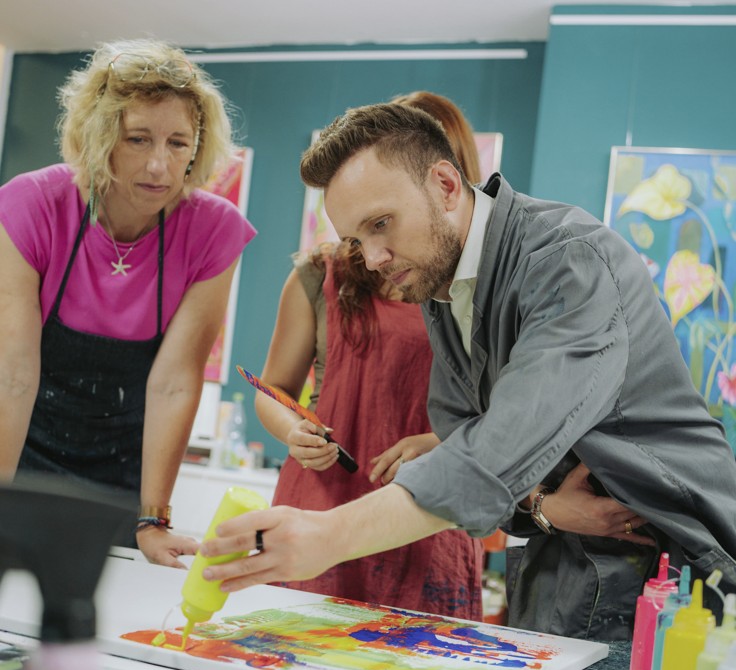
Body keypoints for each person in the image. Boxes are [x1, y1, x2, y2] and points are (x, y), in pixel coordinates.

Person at [199, 101, 736, 640]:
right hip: (566, 566)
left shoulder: (569, 261)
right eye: (357, 241)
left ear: (446, 185)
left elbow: (496, 450)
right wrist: (542, 506)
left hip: (682, 570)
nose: (374, 257)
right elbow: (464, 437)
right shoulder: (443, 287)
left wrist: (329, 535)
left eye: (381, 224)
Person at [0, 38, 256, 567]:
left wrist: (153, 519)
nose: (159, 166)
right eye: (138, 139)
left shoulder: (214, 230)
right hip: (21, 455)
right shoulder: (33, 204)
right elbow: (13, 373)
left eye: (178, 143)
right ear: (100, 135)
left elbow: (175, 381)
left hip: (125, 478)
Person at [255, 92, 485, 619]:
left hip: (427, 521)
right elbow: (272, 389)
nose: (377, 253)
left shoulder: (484, 290)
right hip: (319, 507)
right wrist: (294, 429)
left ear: (447, 181)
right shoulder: (319, 276)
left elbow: (508, 421)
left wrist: (440, 445)